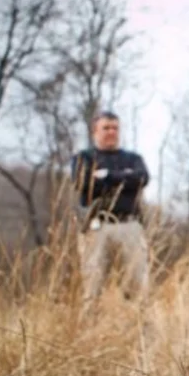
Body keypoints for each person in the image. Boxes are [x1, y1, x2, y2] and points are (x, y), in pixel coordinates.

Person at [70, 111, 151, 302]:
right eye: (106, 128)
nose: (111, 132)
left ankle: (140, 328)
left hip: (129, 226)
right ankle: (90, 328)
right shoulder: (84, 158)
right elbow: (83, 183)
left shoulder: (132, 158)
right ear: (95, 131)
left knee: (138, 286)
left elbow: (142, 178)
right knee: (92, 286)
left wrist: (106, 176)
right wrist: (124, 178)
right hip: (97, 228)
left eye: (115, 128)